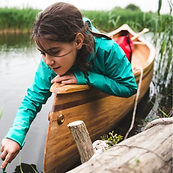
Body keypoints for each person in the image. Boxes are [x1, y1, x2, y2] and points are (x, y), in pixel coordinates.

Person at [0, 2, 137, 170]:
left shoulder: (108, 50)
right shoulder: (50, 62)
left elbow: (129, 87)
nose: (48, 61)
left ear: (78, 41)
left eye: (55, 52)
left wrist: (86, 77)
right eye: (42, 52)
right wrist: (15, 135)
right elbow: (32, 99)